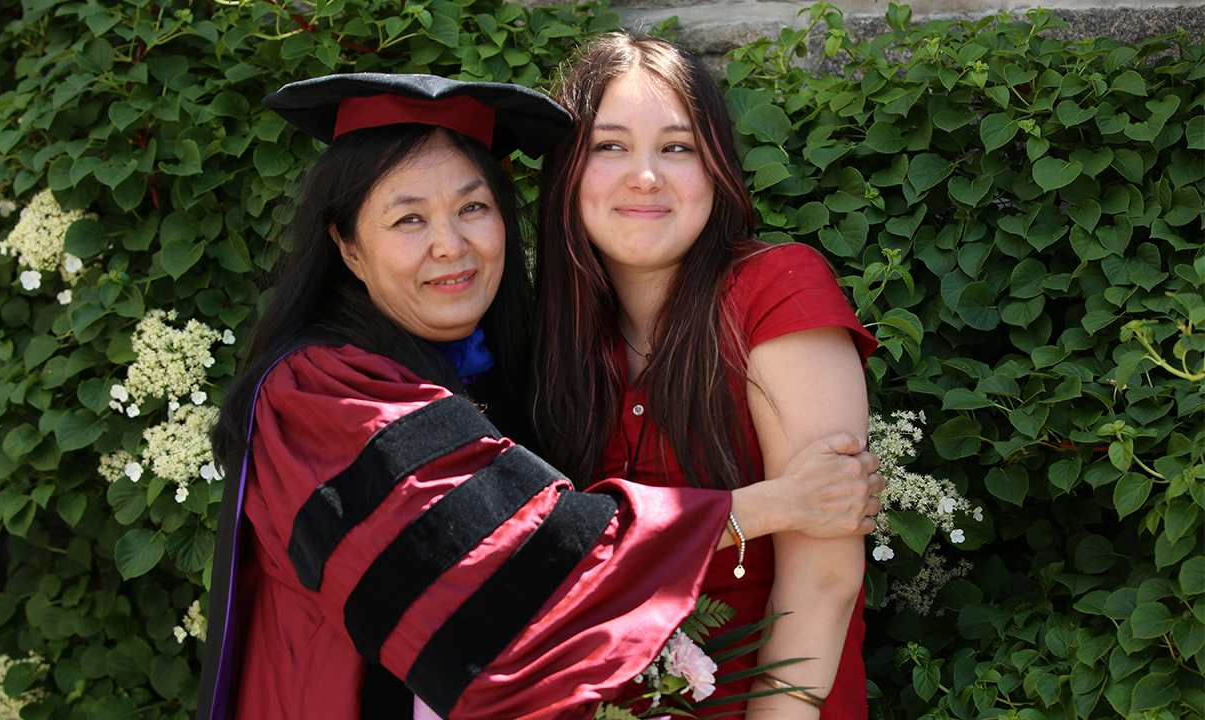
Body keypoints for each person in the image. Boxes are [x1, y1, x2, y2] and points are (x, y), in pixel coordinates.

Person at [197, 72, 884, 720]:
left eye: (474, 208)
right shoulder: (324, 390)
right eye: (409, 220)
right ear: (347, 247)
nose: (451, 246)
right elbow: (510, 571)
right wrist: (777, 504)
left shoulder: (499, 367)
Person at [533, 34, 877, 719]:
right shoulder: (551, 334)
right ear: (567, 172)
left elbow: (825, 581)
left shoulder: (775, 292)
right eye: (609, 146)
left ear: (715, 166)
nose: (646, 176)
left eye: (677, 146)